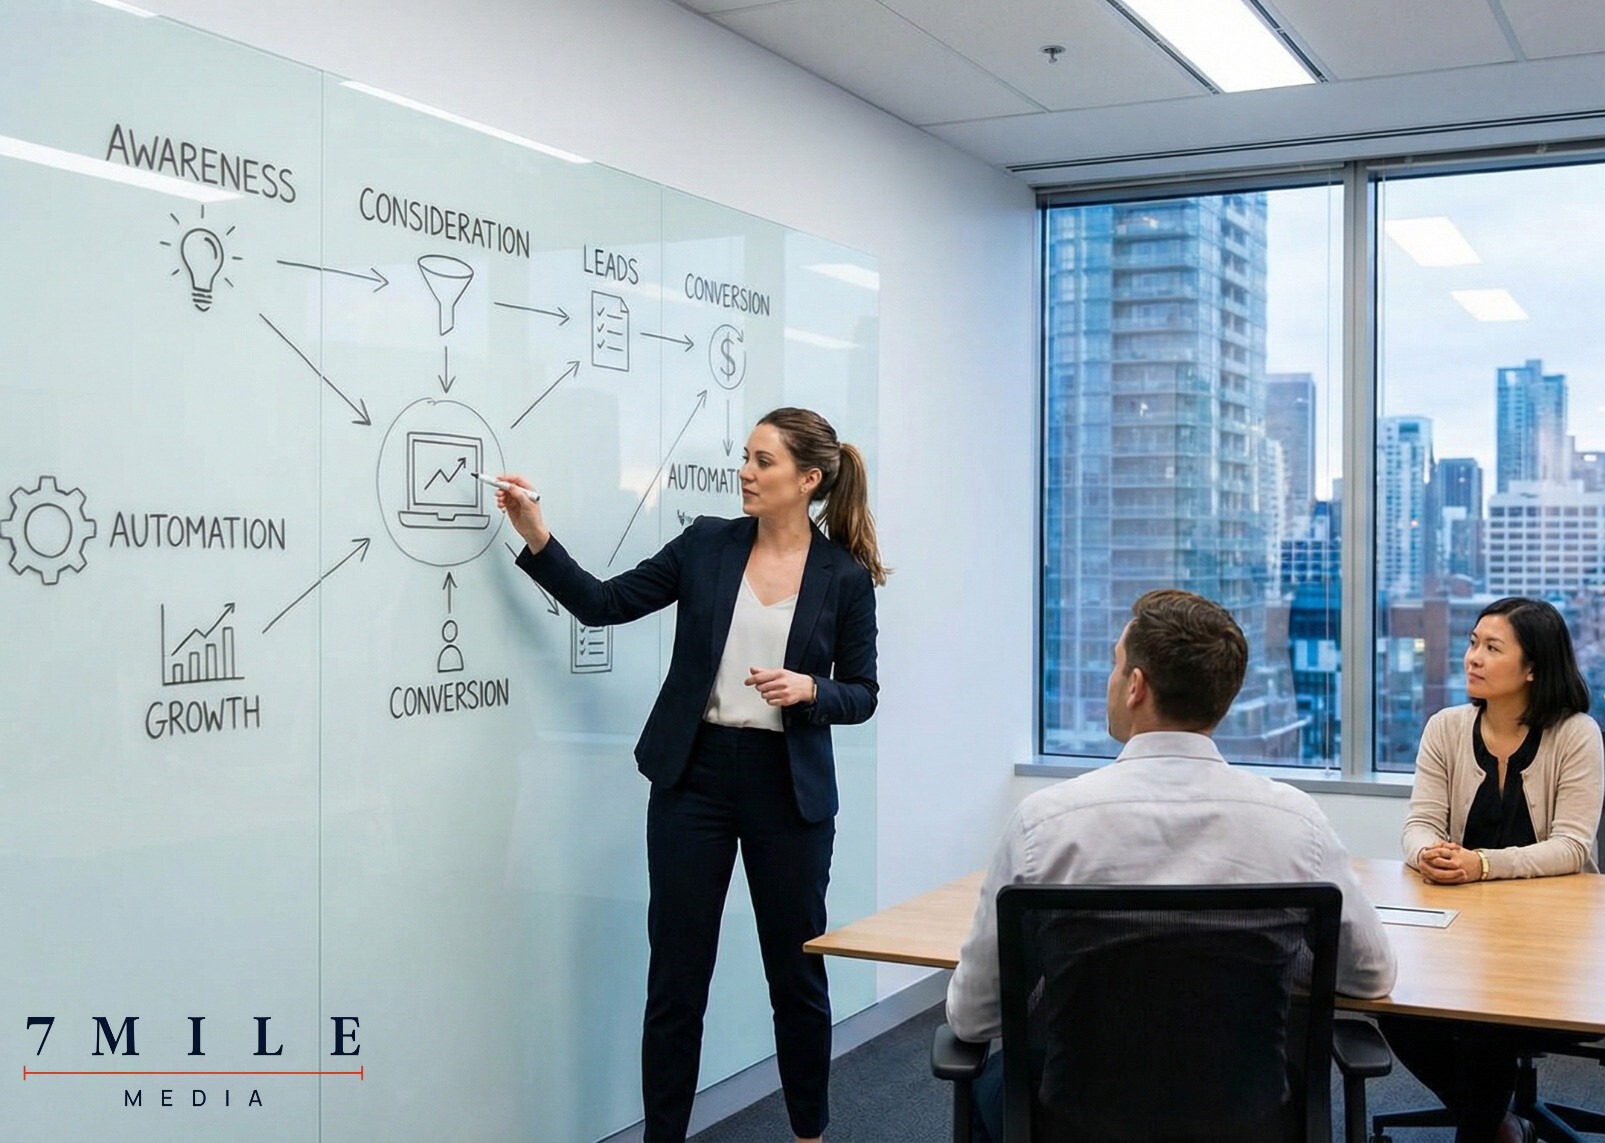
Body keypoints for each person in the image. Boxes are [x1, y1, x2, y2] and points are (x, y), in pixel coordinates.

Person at [494, 407, 883, 1143]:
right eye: (745, 456)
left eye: (763, 461)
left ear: (807, 479)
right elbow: (606, 603)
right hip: (694, 777)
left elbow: (862, 691)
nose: (745, 471)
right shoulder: (706, 544)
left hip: (788, 787)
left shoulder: (843, 576)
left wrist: (811, 690)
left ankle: (811, 1133)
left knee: (795, 978)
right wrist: (536, 534)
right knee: (676, 979)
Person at [945, 588, 1397, 1141]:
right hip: (1249, 1121)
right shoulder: (1294, 822)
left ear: (1136, 686)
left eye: (1115, 666)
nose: (1111, 681)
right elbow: (1371, 974)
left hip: (1076, 1122)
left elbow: (973, 1018)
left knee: (990, 1083)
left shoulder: (1045, 823)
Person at [1376, 596, 1602, 1143]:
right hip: (1457, 926)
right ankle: (1500, 1125)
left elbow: (1571, 847)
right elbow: (1418, 824)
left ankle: (1481, 1133)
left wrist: (1480, 864)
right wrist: (1426, 852)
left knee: (1486, 1025)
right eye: (1473, 643)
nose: (1473, 657)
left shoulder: (1575, 734)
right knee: (1391, 997)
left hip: (1548, 936)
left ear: (1532, 668)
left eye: (1492, 648)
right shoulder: (1446, 728)